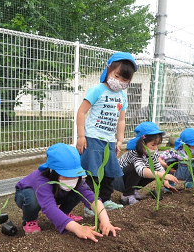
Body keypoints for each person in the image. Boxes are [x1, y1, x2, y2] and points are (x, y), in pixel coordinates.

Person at [15, 143, 121, 241]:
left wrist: (105, 221)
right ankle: (30, 220)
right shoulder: (41, 179)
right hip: (26, 194)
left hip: (56, 193)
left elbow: (91, 197)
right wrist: (77, 228)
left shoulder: (76, 180)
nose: (71, 178)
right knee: (32, 199)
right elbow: (49, 207)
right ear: (53, 171)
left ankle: (64, 214)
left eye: (75, 174)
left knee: (77, 192)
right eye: (66, 175)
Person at [76, 52, 137, 214]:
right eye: (117, 76)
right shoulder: (97, 90)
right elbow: (81, 112)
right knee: (94, 174)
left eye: (125, 80)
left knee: (110, 172)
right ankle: (91, 205)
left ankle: (106, 200)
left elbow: (121, 120)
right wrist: (81, 136)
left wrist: (119, 140)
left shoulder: (122, 96)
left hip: (109, 141)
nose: (120, 82)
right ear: (108, 70)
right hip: (93, 138)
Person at [114, 122, 178, 205]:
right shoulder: (135, 153)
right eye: (153, 145)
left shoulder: (152, 154)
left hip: (129, 179)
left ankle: (133, 190)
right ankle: (127, 195)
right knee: (139, 169)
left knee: (154, 170)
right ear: (142, 144)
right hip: (118, 180)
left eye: (157, 145)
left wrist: (165, 181)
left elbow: (159, 168)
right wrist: (163, 175)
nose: (156, 148)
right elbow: (140, 170)